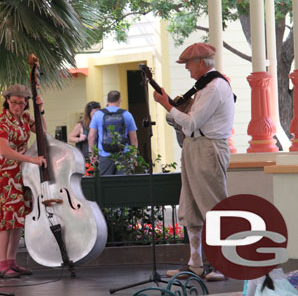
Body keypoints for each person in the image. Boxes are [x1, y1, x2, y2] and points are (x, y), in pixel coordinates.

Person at [153, 42, 234, 281]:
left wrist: (166, 105)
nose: (187, 69)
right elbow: (189, 123)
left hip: (208, 147)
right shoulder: (204, 86)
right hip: (194, 146)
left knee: (215, 208)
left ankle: (223, 264)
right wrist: (172, 106)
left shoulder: (215, 87)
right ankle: (195, 263)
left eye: (188, 64)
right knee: (190, 208)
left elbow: (191, 123)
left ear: (201, 62)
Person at [0, 84, 47, 279]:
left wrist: (41, 110)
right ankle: (2, 264)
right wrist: (32, 160)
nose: (18, 107)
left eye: (22, 103)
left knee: (17, 220)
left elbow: (43, 132)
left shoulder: (25, 119)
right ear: (7, 101)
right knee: (5, 220)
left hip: (21, 174)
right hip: (4, 174)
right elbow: (4, 151)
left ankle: (12, 261)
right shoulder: (2, 122)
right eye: (14, 103)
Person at [87, 90, 138, 175]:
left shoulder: (98, 115)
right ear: (119, 100)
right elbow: (134, 138)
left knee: (104, 184)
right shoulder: (127, 114)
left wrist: (93, 154)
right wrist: (134, 155)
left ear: (107, 100)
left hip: (104, 155)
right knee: (122, 184)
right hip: (123, 155)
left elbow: (91, 137)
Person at [68, 101, 100, 176]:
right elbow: (70, 137)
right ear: (88, 114)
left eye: (98, 114)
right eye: (94, 114)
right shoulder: (81, 125)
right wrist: (79, 139)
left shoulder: (100, 124)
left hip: (98, 156)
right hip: (86, 157)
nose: (96, 116)